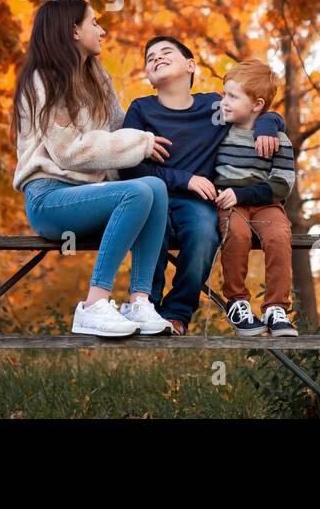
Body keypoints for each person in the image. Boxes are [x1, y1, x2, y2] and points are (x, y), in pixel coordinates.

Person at [10, 0, 175, 337]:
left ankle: (140, 301)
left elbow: (117, 129)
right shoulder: (43, 80)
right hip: (50, 199)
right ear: (74, 30)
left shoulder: (97, 77)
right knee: (137, 192)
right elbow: (70, 152)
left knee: (155, 188)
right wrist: (140, 142)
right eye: (94, 23)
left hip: (93, 196)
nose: (102, 30)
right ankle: (93, 305)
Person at [119, 37, 284, 335]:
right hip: (147, 197)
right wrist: (187, 179)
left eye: (166, 52)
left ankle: (176, 313)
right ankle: (145, 307)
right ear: (148, 76)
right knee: (150, 233)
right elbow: (128, 166)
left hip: (195, 204)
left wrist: (268, 123)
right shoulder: (141, 109)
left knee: (203, 233)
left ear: (191, 65)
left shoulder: (213, 107)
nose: (156, 58)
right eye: (150, 57)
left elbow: (252, 107)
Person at [212, 59, 299, 336]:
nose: (224, 102)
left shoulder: (278, 140)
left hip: (265, 203)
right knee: (236, 234)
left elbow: (282, 185)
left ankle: (277, 308)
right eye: (224, 94)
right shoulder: (219, 131)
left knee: (278, 236)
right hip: (228, 203)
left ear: (257, 104)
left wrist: (271, 123)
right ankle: (237, 302)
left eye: (232, 97)